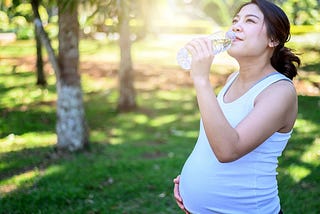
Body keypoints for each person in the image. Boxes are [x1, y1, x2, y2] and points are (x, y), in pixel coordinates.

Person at [173, 0, 301, 213]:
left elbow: (228, 150)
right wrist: (190, 182)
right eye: (235, 20)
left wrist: (202, 80)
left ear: (273, 38)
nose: (236, 26)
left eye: (249, 20)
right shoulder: (233, 79)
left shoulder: (280, 91)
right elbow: (211, 140)